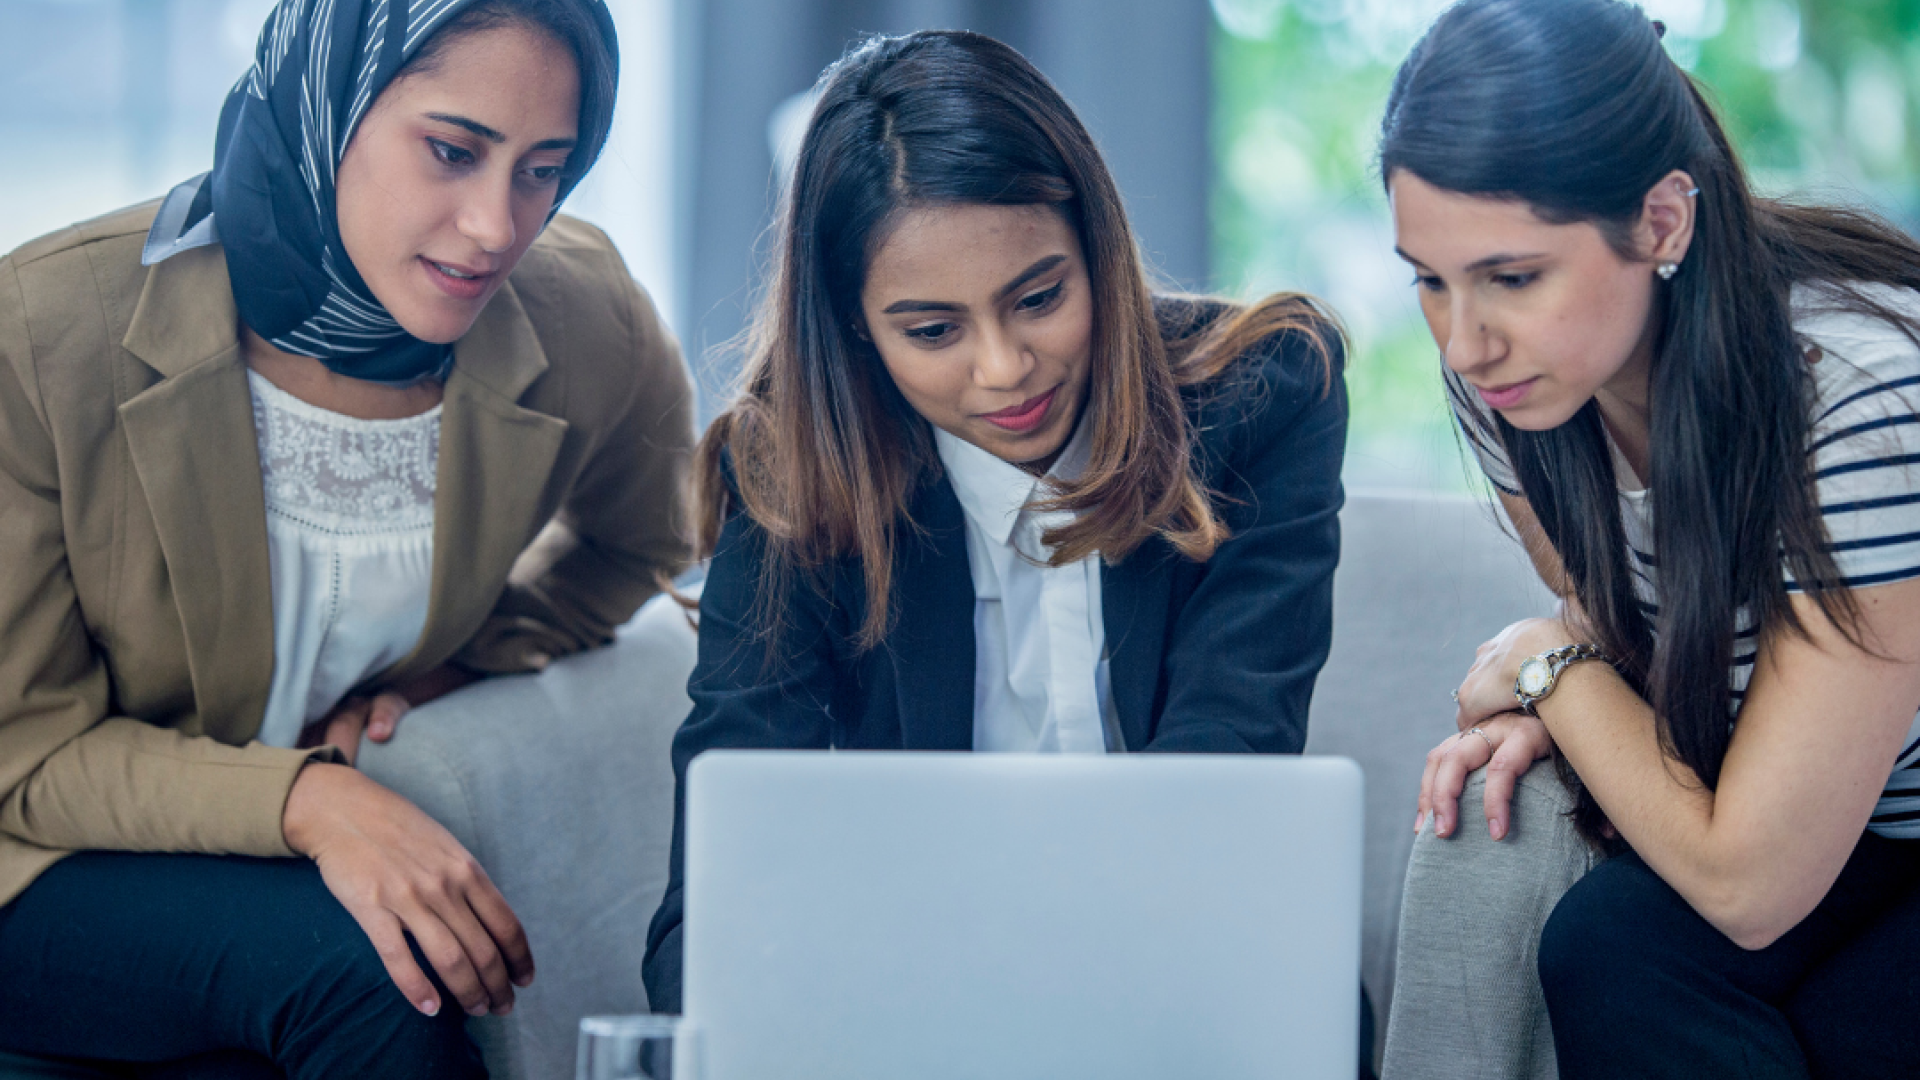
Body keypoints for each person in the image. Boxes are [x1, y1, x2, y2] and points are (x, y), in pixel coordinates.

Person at [0, 0, 693, 1076]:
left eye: (543, 168)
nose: (496, 227)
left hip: (265, 877)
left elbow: (643, 539)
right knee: (371, 982)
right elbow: (23, 751)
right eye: (452, 151)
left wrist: (463, 666)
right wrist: (312, 801)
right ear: (327, 105)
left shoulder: (578, 315)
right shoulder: (44, 334)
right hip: (40, 851)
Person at [640, 27, 1349, 1020]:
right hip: (910, 1005)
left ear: (1097, 249)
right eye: (932, 331)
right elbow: (716, 892)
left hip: (1188, 981)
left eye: (1040, 297)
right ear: (854, 329)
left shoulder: (1263, 398)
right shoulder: (794, 472)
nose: (1005, 369)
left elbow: (1221, 783)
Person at [1375, 2, 1920, 1079]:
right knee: (1607, 948)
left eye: (1513, 276)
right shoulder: (1521, 389)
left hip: (1852, 846)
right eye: (1430, 280)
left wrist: (1546, 666)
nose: (1466, 339)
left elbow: (1750, 884)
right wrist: (1582, 694)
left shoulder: (1855, 399)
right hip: (1840, 844)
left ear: (1663, 224)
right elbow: (1634, 638)